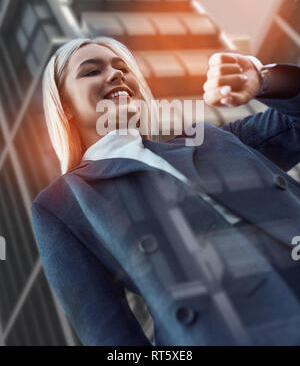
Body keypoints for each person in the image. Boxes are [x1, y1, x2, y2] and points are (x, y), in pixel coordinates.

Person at [31, 36, 300, 346]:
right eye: (91, 71)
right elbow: (108, 334)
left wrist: (263, 79)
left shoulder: (209, 139)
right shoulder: (62, 204)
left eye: (122, 67)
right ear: (65, 108)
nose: (116, 74)